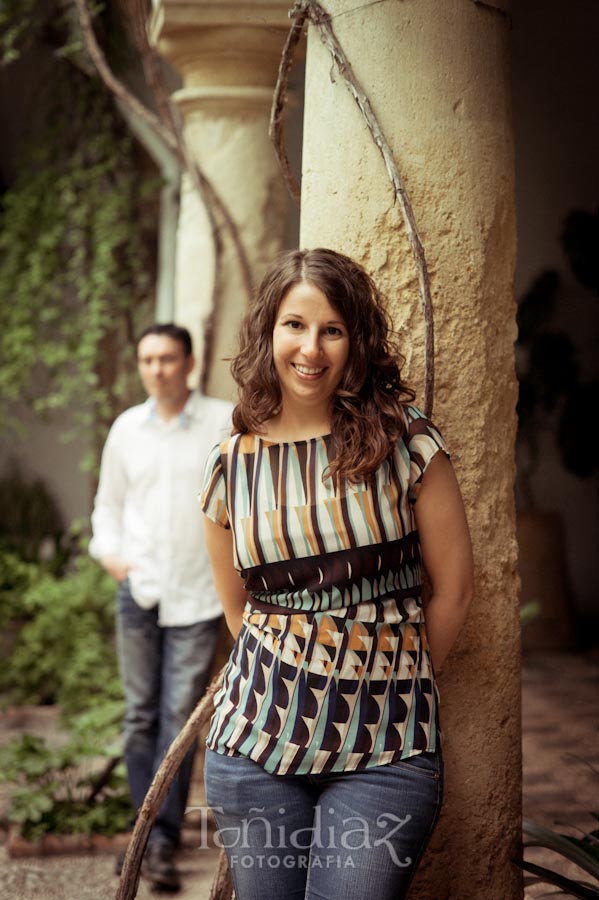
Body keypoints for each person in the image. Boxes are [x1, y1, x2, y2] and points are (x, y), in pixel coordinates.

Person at [199, 248, 474, 900]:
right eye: (294, 325)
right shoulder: (230, 465)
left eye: (331, 330)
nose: (310, 349)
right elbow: (240, 614)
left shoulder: (407, 445)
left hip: (385, 751)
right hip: (254, 746)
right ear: (268, 332)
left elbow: (455, 592)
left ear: (357, 341)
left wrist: (382, 681)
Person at [90, 323, 232, 892]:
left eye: (167, 359)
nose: (157, 369)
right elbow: (108, 505)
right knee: (139, 716)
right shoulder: (127, 429)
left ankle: (163, 843)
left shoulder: (222, 422)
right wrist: (113, 557)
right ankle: (140, 833)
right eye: (148, 359)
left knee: (179, 719)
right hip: (140, 591)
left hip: (199, 595)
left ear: (189, 363)